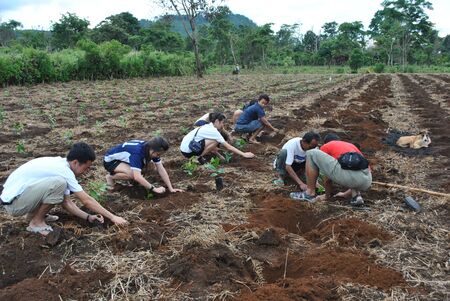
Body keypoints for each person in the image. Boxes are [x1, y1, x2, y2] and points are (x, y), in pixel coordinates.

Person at [0, 142, 128, 236]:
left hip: (19, 198)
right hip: (14, 204)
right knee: (58, 184)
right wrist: (112, 217)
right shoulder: (63, 171)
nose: (87, 171)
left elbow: (66, 203)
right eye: (86, 167)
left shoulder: (61, 165)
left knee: (58, 186)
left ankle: (34, 216)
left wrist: (88, 217)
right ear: (76, 162)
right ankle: (36, 222)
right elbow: (86, 201)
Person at [290, 134, 371, 205]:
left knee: (311, 153)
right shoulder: (350, 146)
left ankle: (309, 193)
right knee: (350, 165)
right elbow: (359, 172)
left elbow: (327, 179)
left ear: (326, 142)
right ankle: (356, 197)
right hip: (367, 180)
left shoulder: (327, 146)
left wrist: (326, 196)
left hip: (350, 178)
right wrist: (345, 194)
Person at [104, 137, 183, 194]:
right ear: (152, 149)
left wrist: (171, 188)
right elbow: (137, 176)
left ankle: (132, 182)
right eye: (158, 154)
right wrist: (154, 189)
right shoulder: (137, 153)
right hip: (111, 161)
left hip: (124, 160)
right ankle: (110, 177)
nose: (158, 156)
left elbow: (161, 169)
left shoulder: (149, 149)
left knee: (150, 167)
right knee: (133, 174)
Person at [180, 112, 255, 164]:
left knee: (213, 141)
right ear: (216, 121)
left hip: (184, 148)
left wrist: (219, 154)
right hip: (188, 151)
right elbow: (228, 147)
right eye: (222, 122)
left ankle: (197, 156)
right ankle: (197, 157)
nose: (222, 125)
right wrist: (244, 154)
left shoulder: (207, 126)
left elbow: (209, 144)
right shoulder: (213, 131)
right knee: (215, 141)